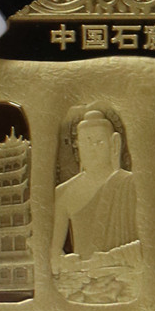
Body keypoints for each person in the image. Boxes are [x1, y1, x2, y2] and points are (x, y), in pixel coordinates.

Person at [51, 108, 138, 268]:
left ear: (114, 144)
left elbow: (150, 239)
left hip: (128, 273)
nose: (92, 149)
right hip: (84, 276)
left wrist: (116, 259)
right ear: (77, 146)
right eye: (86, 142)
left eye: (99, 142)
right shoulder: (64, 192)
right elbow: (53, 252)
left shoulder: (132, 184)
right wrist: (66, 262)